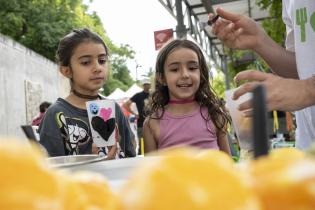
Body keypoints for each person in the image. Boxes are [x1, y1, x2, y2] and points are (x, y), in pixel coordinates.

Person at [210, 2, 315, 150]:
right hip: (307, 149)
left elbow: (304, 85)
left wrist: (308, 90)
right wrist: (260, 41)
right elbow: (302, 69)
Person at [39, 28, 136, 158]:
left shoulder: (114, 108)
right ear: (66, 71)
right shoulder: (55, 114)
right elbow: (48, 170)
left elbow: (130, 154)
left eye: (102, 61)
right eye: (86, 62)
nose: (97, 68)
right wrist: (90, 160)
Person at [143, 39, 231, 155]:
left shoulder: (215, 115)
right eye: (175, 69)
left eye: (192, 68)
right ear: (161, 78)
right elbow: (150, 171)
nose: (185, 74)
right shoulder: (152, 124)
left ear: (201, 73)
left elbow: (227, 165)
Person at [123, 80, 151, 154]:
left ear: (150, 85)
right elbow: (125, 104)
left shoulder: (153, 94)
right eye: (145, 84)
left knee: (152, 143)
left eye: (148, 84)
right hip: (141, 123)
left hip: (153, 122)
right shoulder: (138, 95)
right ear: (143, 85)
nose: (147, 86)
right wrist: (134, 113)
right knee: (142, 143)